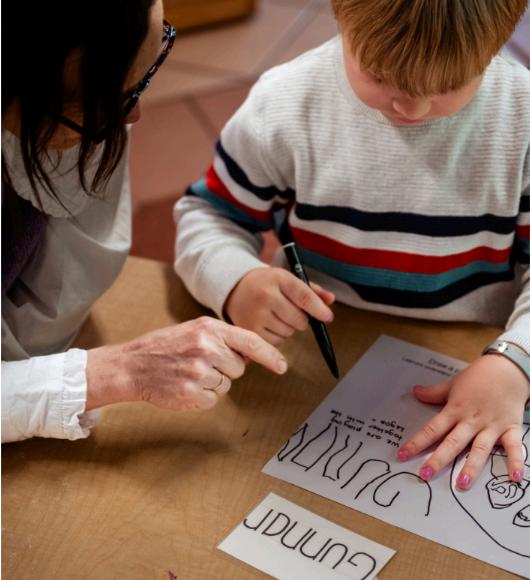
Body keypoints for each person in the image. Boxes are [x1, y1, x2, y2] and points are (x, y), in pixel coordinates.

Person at [174, 0, 530, 490]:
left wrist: (516, 358)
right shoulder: (285, 104)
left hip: (478, 355)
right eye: (380, 76)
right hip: (314, 352)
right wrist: (236, 280)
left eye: (448, 86)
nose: (413, 109)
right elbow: (208, 215)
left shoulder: (522, 118)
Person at [1, 0, 288, 443]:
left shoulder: (90, 63)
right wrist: (119, 372)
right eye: (112, 99)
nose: (135, 115)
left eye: (145, 75)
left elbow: (65, 280)